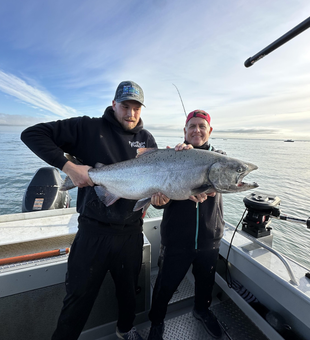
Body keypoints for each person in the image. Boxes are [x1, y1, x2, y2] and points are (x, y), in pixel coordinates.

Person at [21, 81, 157, 340]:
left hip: (130, 233)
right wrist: (68, 166)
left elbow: (152, 182)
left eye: (136, 108)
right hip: (93, 233)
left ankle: (125, 331)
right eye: (125, 106)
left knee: (129, 292)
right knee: (78, 297)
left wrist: (157, 197)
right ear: (114, 103)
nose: (130, 113)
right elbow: (32, 134)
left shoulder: (146, 139)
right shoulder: (88, 128)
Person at [147, 110, 225, 340]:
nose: (197, 130)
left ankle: (202, 310)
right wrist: (158, 202)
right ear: (184, 131)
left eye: (202, 126)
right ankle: (156, 322)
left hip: (209, 238)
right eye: (192, 126)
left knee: (205, 283)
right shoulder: (172, 156)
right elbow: (160, 198)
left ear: (210, 131)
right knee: (165, 286)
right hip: (176, 238)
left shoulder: (220, 159)